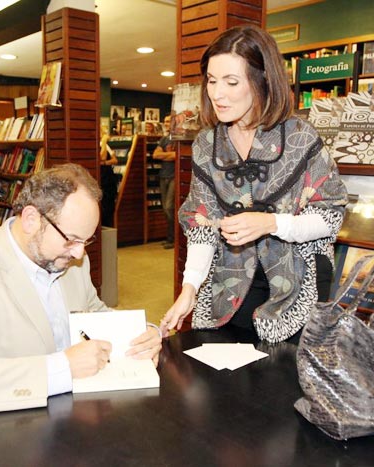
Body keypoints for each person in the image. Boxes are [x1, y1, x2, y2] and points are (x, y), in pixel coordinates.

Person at [0, 164, 161, 414]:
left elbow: (93, 313)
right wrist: (62, 368)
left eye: (85, 240)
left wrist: (141, 333)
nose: (79, 253)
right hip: (13, 428)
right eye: (71, 240)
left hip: (77, 417)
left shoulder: (71, 259)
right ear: (31, 220)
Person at [160, 25, 348, 344]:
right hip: (231, 280)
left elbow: (330, 217)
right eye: (212, 80)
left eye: (232, 82)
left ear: (262, 80)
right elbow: (202, 224)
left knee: (281, 382)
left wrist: (271, 223)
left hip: (297, 279)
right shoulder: (207, 145)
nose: (217, 93)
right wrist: (190, 288)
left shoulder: (300, 138)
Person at [153, 114, 176, 249]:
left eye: (169, 121)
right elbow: (156, 155)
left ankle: (173, 238)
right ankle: (170, 238)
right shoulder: (164, 139)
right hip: (163, 176)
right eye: (165, 121)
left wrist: (165, 156)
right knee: (165, 208)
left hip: (174, 176)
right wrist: (170, 156)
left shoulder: (179, 139)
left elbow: (177, 156)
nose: (166, 123)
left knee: (169, 207)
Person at [99, 131, 118, 227]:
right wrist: (104, 141)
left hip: (109, 181)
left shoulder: (105, 146)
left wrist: (105, 163)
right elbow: (102, 157)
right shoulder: (101, 145)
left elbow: (115, 160)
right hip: (101, 181)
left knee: (109, 208)